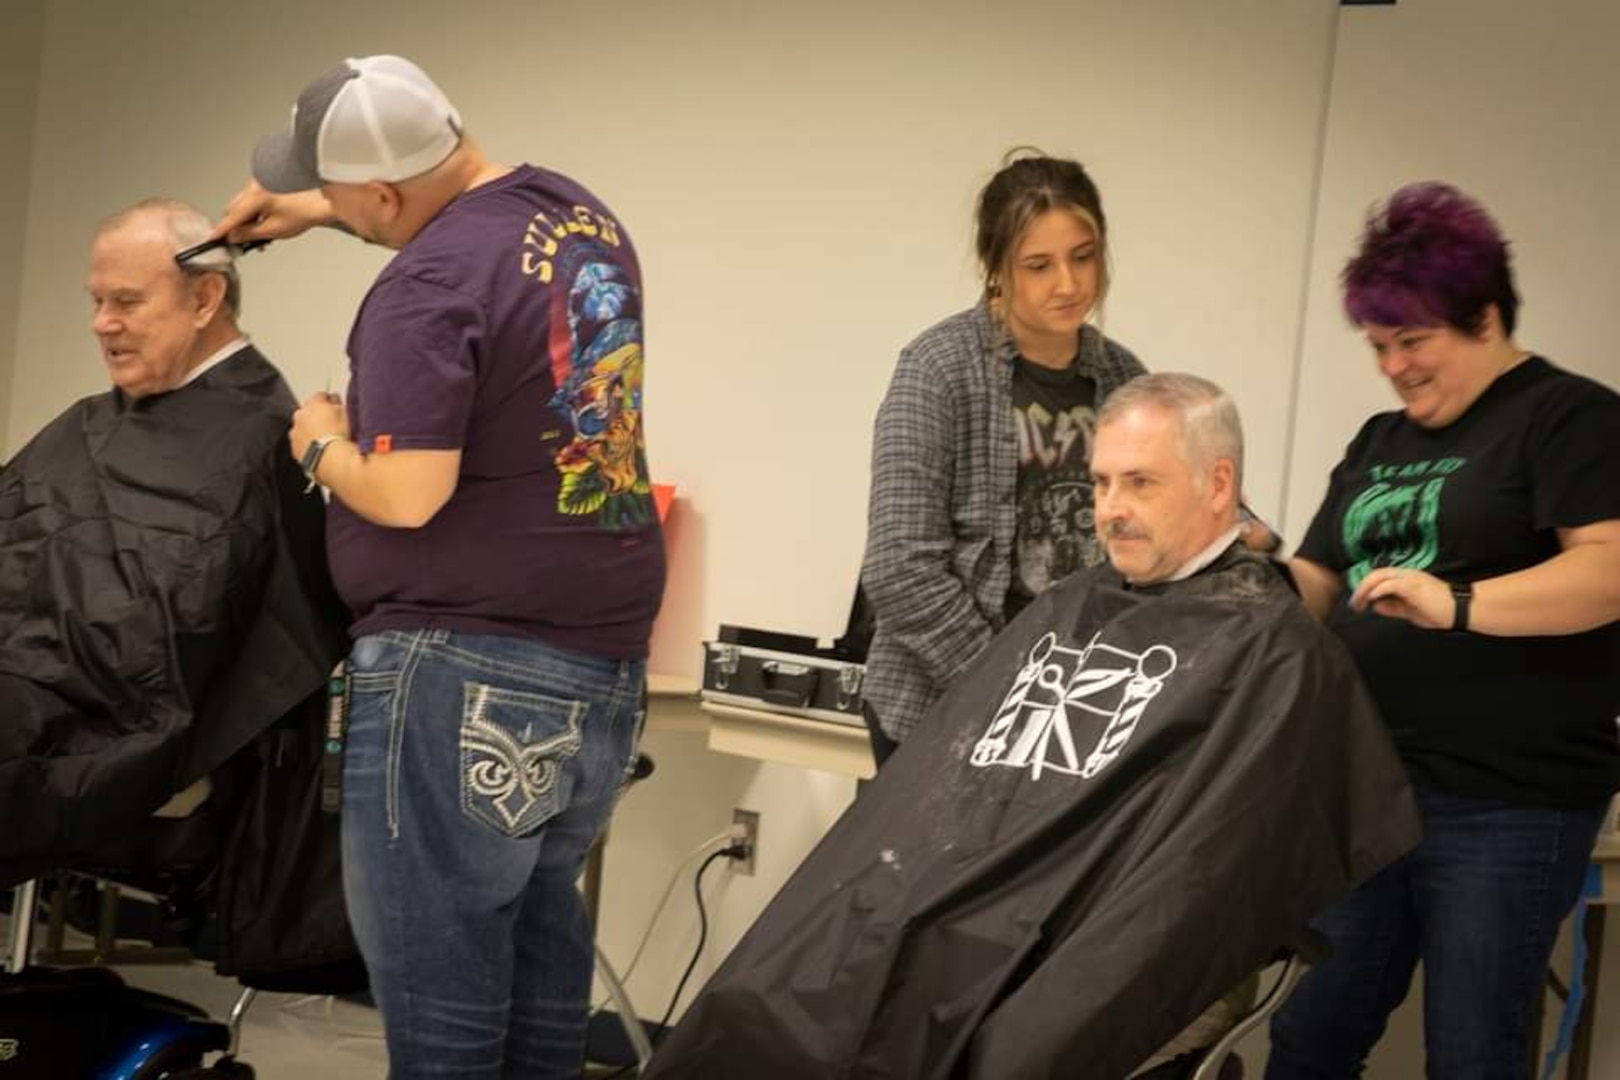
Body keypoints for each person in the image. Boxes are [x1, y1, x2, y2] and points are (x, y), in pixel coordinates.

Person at [642, 375, 1416, 1080]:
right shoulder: (1067, 610)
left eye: (1140, 483)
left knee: (997, 1053)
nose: (1110, 508)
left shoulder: (1275, 655)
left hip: (1093, 951)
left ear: (1220, 485)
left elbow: (1199, 881)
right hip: (958, 917)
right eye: (1102, 482)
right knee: (762, 999)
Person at [214, 55, 666, 1077]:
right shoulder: (576, 216)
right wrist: (317, 211)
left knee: (442, 993)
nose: (327, 203)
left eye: (338, 192)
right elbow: (455, 225)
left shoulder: (422, 284)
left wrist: (318, 439)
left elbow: (408, 493)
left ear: (382, 191)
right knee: (539, 968)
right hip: (599, 659)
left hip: (461, 667)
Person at [1266, 183, 1620, 1079]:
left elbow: (1608, 571)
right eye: (1380, 346)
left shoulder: (1569, 418)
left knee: (1470, 1052)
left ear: (1487, 317)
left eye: (1413, 341)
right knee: (1309, 1032)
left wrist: (1457, 604)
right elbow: (1318, 581)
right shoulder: (1380, 438)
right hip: (1371, 789)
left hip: (1507, 802)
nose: (1393, 366)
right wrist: (1241, 570)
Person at [0, 199, 359, 987]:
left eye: (127, 302)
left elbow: (176, 642)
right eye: (96, 302)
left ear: (204, 299)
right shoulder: (89, 424)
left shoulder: (263, 439)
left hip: (114, 718)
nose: (102, 324)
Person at [859, 151, 1146, 768]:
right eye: (1038, 265)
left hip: (1071, 712)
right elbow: (899, 570)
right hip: (940, 706)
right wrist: (1012, 690)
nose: (1068, 284)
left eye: (1083, 256)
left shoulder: (1125, 379)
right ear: (996, 269)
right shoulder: (937, 370)